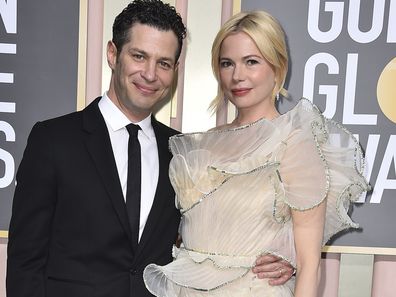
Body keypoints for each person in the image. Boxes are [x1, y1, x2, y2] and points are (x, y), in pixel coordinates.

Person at [6, 2, 294, 297]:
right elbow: (25, 263)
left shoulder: (182, 152)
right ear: (113, 54)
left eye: (164, 63)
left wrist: (284, 258)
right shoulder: (54, 141)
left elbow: (207, 236)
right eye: (139, 56)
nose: (150, 74)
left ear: (175, 70)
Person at [143, 10, 370, 297]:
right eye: (227, 64)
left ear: (277, 66)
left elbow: (309, 266)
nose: (238, 76)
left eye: (251, 62)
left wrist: (288, 260)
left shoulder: (294, 142)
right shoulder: (203, 144)